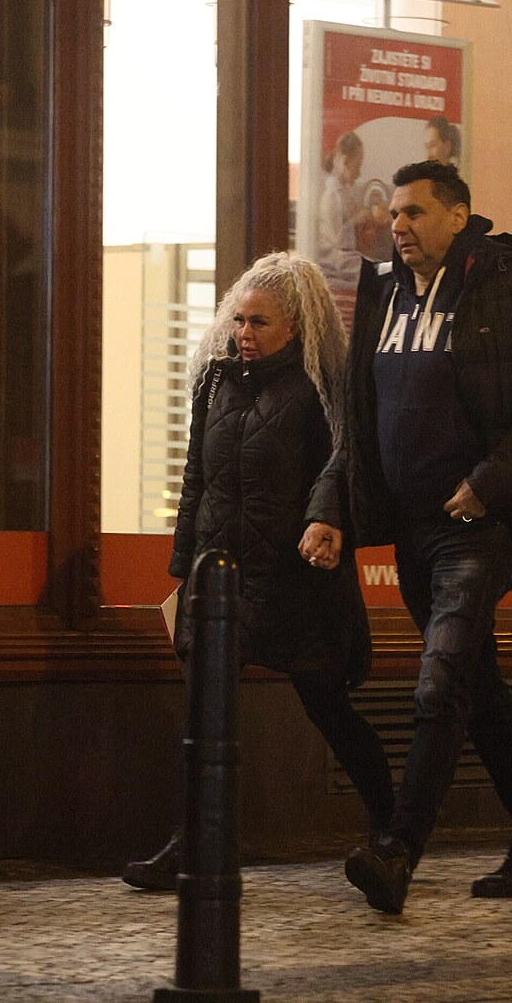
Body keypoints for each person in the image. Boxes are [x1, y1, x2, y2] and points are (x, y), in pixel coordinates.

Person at [302, 161, 512, 914]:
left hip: (478, 525)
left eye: (416, 212)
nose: (399, 226)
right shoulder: (384, 292)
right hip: (413, 526)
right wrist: (330, 507)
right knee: (474, 685)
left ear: (459, 215)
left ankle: (397, 851)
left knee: (440, 678)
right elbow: (357, 420)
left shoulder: (509, 287)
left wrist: (487, 485)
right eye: (395, 214)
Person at [122, 252, 394, 890]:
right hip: (221, 580)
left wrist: (323, 526)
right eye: (239, 320)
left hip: (296, 579)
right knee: (205, 720)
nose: (244, 333)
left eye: (260, 322)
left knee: (329, 709)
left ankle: (393, 828)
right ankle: (193, 844)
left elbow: (340, 474)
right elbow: (196, 479)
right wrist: (184, 570)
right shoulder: (216, 382)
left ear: (296, 326)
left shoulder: (320, 391)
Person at [315, 131, 367, 293]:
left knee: (376, 267)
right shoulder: (332, 196)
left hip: (345, 256)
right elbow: (336, 240)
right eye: (357, 166)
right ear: (345, 161)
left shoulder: (345, 192)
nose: (359, 174)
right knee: (373, 274)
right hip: (335, 259)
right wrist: (356, 220)